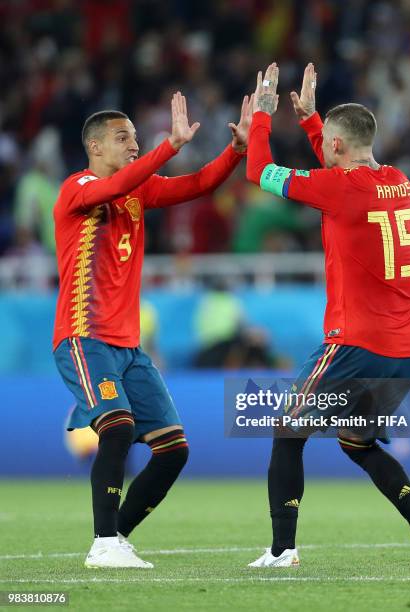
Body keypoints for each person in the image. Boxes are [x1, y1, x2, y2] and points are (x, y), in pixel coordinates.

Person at [246, 63, 410, 567]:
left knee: (286, 429)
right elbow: (341, 169)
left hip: (356, 341)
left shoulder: (338, 189)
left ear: (337, 150)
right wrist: (316, 123)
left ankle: (282, 550)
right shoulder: (398, 182)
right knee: (357, 441)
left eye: (326, 145)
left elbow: (258, 172)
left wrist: (261, 117)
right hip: (406, 347)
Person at [53, 92, 253, 568]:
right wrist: (169, 146)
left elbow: (200, 184)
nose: (134, 146)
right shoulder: (77, 188)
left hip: (129, 348)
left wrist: (237, 150)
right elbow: (112, 188)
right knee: (117, 428)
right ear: (95, 147)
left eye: (137, 139)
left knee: (173, 450)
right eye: (124, 139)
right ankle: (102, 543)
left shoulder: (137, 191)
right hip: (85, 336)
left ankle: (116, 535)